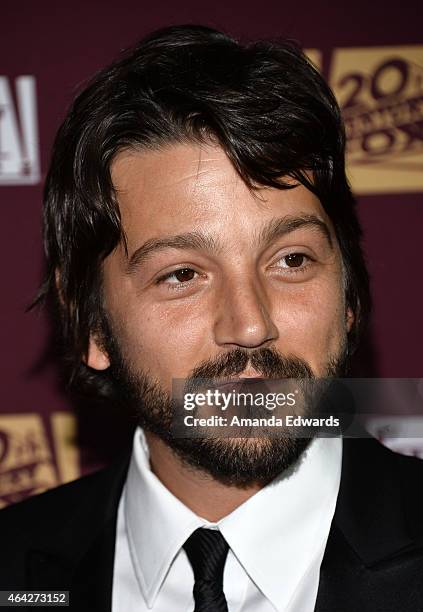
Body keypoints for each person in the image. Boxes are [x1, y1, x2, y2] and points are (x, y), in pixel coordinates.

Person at [1, 24, 422, 612]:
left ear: (348, 294)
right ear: (92, 325)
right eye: (182, 275)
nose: (250, 325)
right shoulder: (12, 569)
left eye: (291, 260)